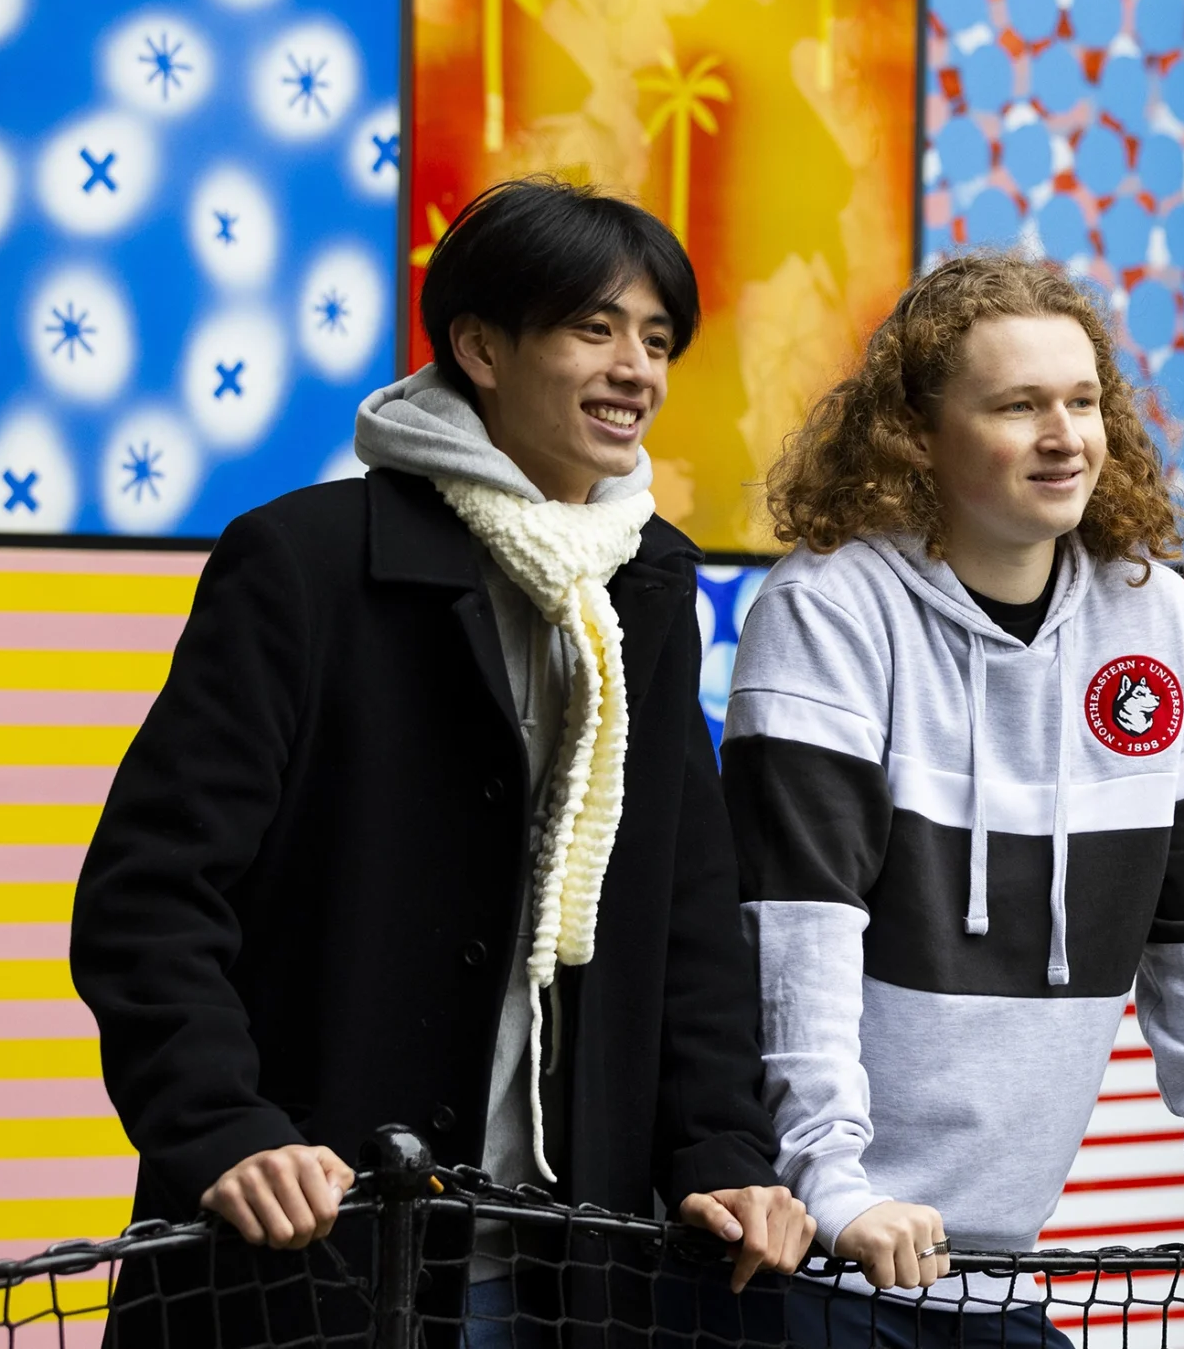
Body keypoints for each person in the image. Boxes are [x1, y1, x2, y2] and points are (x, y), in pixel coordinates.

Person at [71, 177, 815, 1342]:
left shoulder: (649, 585)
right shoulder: (302, 565)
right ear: (477, 345)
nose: (637, 370)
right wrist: (223, 1127)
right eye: (594, 327)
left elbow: (684, 915)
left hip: (574, 1264)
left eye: (658, 339)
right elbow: (152, 894)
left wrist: (718, 1148)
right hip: (320, 1249)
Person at [722, 253, 1184, 1347]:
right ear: (918, 433)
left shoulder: (1157, 621)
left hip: (994, 1277)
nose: (1066, 436)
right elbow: (796, 939)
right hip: (802, 1270)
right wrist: (835, 1184)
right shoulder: (826, 613)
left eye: (1084, 401)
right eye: (1018, 405)